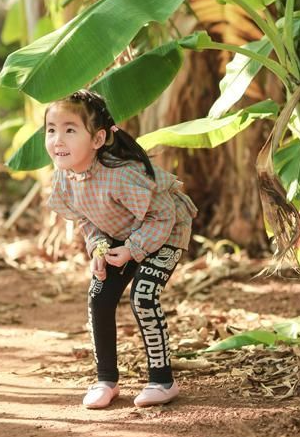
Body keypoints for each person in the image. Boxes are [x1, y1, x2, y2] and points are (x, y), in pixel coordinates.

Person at [44, 89, 197, 410]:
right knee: (99, 294)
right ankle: (105, 379)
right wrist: (99, 250)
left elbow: (164, 214)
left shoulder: (121, 175)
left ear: (97, 140)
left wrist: (133, 249)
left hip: (166, 230)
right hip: (122, 234)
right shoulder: (65, 176)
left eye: (70, 130)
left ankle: (162, 380)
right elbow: (87, 219)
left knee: (143, 295)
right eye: (51, 130)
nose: (58, 139)